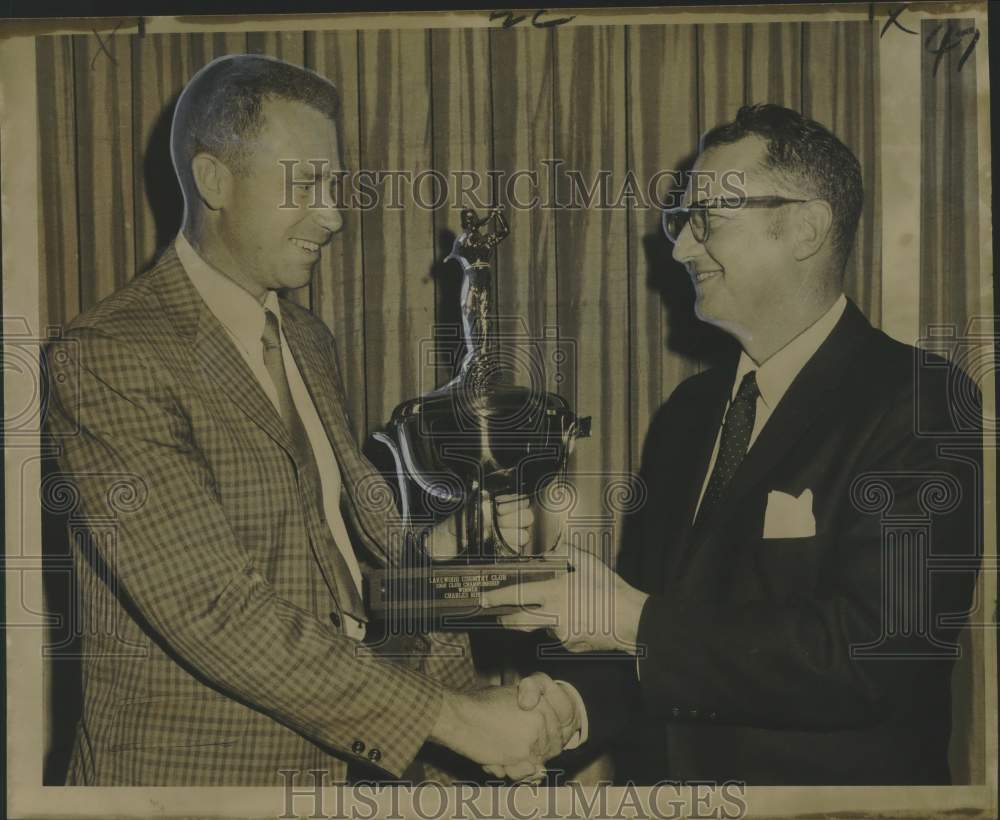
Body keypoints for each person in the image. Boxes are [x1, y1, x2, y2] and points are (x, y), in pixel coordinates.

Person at [45, 54, 573, 787]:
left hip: (343, 774)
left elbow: (347, 569)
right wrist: (452, 722)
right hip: (196, 788)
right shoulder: (109, 356)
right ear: (213, 181)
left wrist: (470, 691)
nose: (333, 214)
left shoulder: (306, 338)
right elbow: (213, 607)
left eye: (336, 184)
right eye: (306, 185)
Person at [488, 104, 982, 785]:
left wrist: (634, 623)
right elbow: (655, 644)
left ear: (806, 227)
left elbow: (878, 654)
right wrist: (572, 708)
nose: (682, 246)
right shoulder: (688, 415)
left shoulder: (921, 400)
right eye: (681, 223)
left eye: (708, 220)